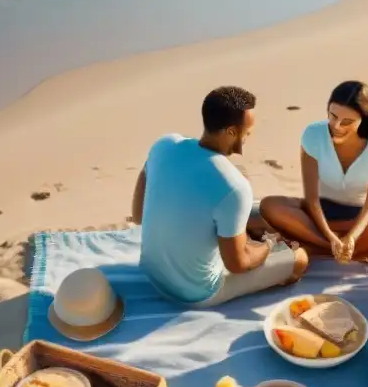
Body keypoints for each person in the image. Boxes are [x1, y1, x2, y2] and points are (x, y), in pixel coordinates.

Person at [132, 86, 309, 306]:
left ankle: (247, 237)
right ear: (232, 132)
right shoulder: (233, 186)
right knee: (300, 259)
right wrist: (269, 245)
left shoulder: (164, 145)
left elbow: (138, 216)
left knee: (254, 214)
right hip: (195, 293)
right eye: (248, 131)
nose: (249, 136)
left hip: (152, 271)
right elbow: (239, 264)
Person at [259, 80, 368, 263]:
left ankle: (313, 248)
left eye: (347, 122)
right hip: (318, 214)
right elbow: (311, 199)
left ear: (364, 118)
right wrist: (331, 238)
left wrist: (352, 236)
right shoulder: (313, 134)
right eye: (333, 116)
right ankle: (341, 250)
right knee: (271, 205)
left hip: (359, 218)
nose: (337, 126)